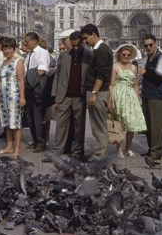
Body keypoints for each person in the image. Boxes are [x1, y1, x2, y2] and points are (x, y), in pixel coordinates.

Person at [48, 31, 92, 161]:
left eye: (78, 45)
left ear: (82, 43)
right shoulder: (63, 55)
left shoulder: (89, 55)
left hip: (80, 97)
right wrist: (56, 96)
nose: (75, 48)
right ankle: (57, 152)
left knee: (79, 126)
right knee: (60, 125)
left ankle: (76, 152)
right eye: (73, 45)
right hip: (64, 96)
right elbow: (57, 75)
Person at [81, 24, 113, 161]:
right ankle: (99, 152)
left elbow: (101, 74)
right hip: (97, 92)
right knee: (96, 125)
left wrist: (94, 92)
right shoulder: (98, 49)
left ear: (93, 34)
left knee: (99, 125)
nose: (84, 41)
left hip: (99, 93)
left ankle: (101, 156)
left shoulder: (102, 50)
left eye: (85, 38)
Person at [109, 44, 146, 158]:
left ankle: (128, 148)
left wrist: (137, 96)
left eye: (128, 55)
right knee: (119, 122)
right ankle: (119, 148)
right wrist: (111, 100)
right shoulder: (115, 67)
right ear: (119, 54)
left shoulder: (133, 67)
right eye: (124, 54)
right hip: (119, 95)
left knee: (131, 123)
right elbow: (112, 85)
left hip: (130, 96)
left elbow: (135, 84)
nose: (126, 56)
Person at [0, 37, 25, 157]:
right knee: (6, 122)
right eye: (5, 49)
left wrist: (22, 97)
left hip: (14, 96)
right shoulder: (1, 63)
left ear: (14, 49)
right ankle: (9, 146)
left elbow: (21, 81)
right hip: (3, 96)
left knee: (15, 122)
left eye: (10, 49)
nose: (7, 51)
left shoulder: (18, 62)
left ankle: (17, 148)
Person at [140, 34, 162, 161]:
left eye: (150, 45)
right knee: (148, 125)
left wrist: (146, 73)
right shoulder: (149, 57)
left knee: (156, 125)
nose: (148, 47)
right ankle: (151, 149)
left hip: (157, 96)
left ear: (155, 43)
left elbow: (160, 77)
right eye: (145, 45)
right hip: (147, 94)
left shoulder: (161, 57)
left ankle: (156, 152)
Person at [23, 32, 51, 152]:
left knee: (38, 117)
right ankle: (35, 140)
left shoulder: (42, 52)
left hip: (37, 87)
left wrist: (30, 81)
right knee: (30, 116)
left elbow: (42, 71)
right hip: (29, 87)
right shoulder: (29, 54)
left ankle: (41, 142)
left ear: (34, 40)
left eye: (27, 41)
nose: (25, 43)